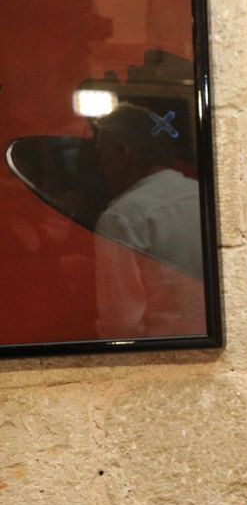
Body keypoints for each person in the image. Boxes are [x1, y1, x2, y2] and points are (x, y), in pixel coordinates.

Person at [91, 102, 205, 338]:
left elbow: (121, 325)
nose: (99, 165)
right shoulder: (200, 195)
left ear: (123, 154)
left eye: (102, 152)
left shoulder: (120, 219)